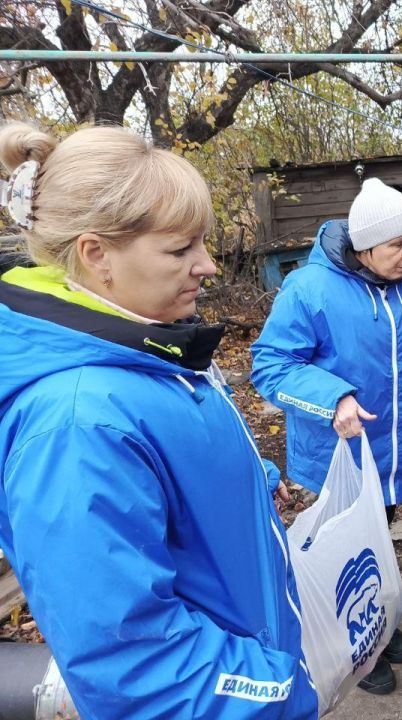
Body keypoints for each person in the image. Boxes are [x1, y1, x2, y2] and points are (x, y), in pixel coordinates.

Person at [0, 123, 318, 718]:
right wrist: (282, 688)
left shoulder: (144, 348)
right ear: (97, 256)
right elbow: (137, 669)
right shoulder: (76, 426)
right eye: (180, 250)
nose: (208, 267)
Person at [251, 177, 402, 694]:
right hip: (336, 457)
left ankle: (379, 620)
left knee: (379, 537)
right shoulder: (309, 289)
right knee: (342, 552)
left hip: (394, 450)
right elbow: (270, 365)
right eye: (398, 244)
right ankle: (357, 645)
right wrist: (333, 398)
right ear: (364, 246)